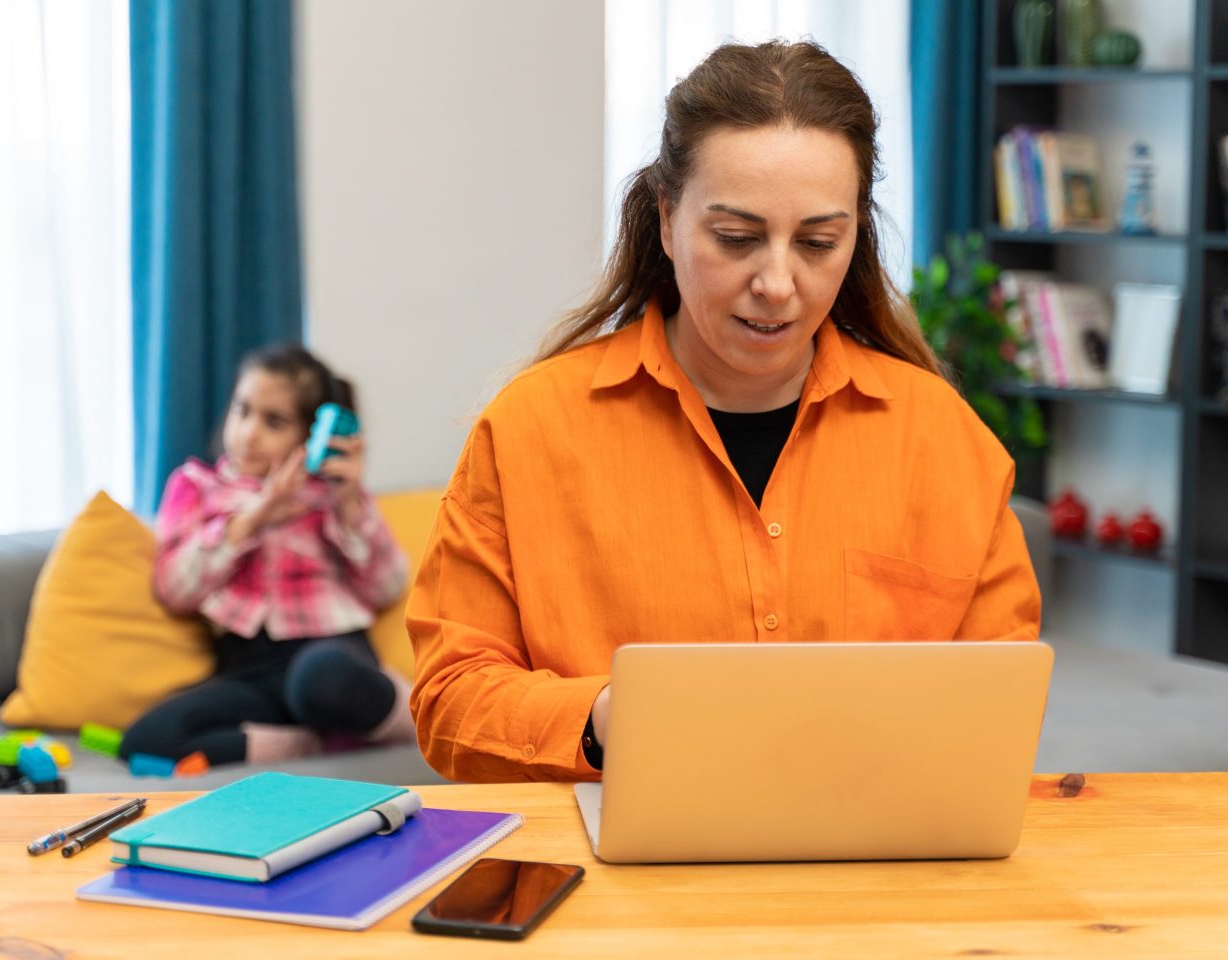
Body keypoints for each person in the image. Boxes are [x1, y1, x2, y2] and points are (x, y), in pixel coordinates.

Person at [407, 40, 1041, 783]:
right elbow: (449, 699)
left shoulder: (940, 438)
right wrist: (615, 717)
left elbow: (1000, 699)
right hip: (618, 870)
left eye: (818, 242)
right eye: (736, 238)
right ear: (669, 219)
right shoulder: (529, 430)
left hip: (876, 863)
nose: (777, 283)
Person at [121, 344, 412, 766]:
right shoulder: (196, 488)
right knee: (147, 738)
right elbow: (173, 590)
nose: (249, 433)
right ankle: (311, 743)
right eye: (243, 410)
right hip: (250, 670)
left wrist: (349, 503)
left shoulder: (330, 495)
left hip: (328, 650)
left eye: (274, 421)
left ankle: (426, 721)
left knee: (323, 680)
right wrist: (256, 517)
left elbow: (388, 587)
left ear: (310, 436)